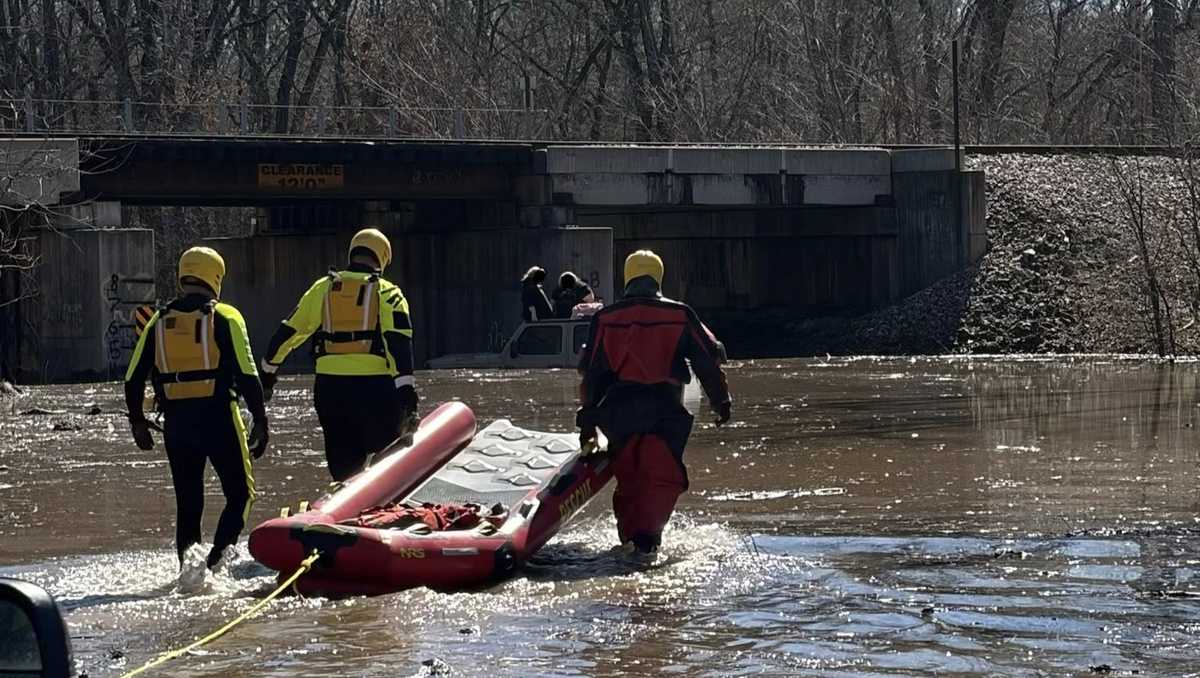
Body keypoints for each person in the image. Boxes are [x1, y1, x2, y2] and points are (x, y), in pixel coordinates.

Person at [576, 249, 732, 564]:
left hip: (618, 413)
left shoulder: (605, 318)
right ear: (658, 278)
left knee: (630, 475)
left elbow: (591, 374)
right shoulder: (680, 313)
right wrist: (721, 402)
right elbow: (708, 361)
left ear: (628, 278)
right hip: (665, 410)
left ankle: (634, 543)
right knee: (662, 475)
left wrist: (587, 422)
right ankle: (648, 543)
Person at [124, 246, 269, 570]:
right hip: (219, 418)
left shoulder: (158, 321)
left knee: (188, 504)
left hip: (176, 424)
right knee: (241, 495)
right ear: (215, 276)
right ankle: (216, 563)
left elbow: (133, 379)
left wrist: (138, 422)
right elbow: (248, 375)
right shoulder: (226, 316)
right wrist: (261, 420)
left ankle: (188, 574)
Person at [259, 228, 419, 482]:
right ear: (382, 258)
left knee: (344, 471)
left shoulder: (323, 288)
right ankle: (386, 505)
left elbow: (288, 333)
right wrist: (408, 399)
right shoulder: (389, 293)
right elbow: (399, 345)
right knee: (389, 464)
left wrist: (267, 375)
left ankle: (344, 506)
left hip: (331, 392)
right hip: (376, 392)